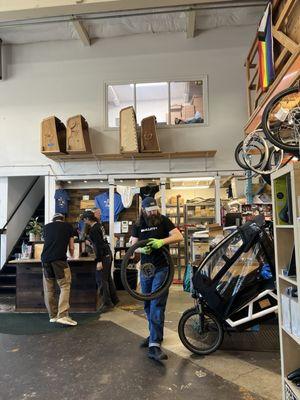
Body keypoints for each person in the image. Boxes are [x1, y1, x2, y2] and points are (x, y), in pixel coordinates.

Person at [131, 197, 183, 361]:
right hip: (146, 268)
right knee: (147, 303)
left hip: (162, 267)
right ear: (143, 210)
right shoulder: (138, 224)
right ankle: (153, 334)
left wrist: (161, 242)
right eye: (150, 210)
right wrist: (141, 249)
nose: (153, 212)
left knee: (157, 303)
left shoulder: (164, 221)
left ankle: (155, 343)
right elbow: (132, 245)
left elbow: (178, 236)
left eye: (155, 209)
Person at [41, 213, 77, 326]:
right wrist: (72, 255)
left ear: (53, 220)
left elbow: (47, 242)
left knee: (49, 288)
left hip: (45, 260)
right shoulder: (68, 226)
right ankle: (62, 315)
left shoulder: (46, 227)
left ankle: (52, 316)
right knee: (65, 285)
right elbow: (71, 246)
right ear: (63, 219)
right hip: (59, 260)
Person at [82, 210, 119, 313]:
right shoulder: (99, 225)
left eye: (85, 220)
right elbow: (100, 242)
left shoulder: (93, 229)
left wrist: (99, 261)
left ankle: (107, 304)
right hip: (107, 253)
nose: (84, 222)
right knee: (107, 279)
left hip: (103, 256)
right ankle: (114, 300)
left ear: (88, 219)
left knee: (101, 280)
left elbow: (98, 246)